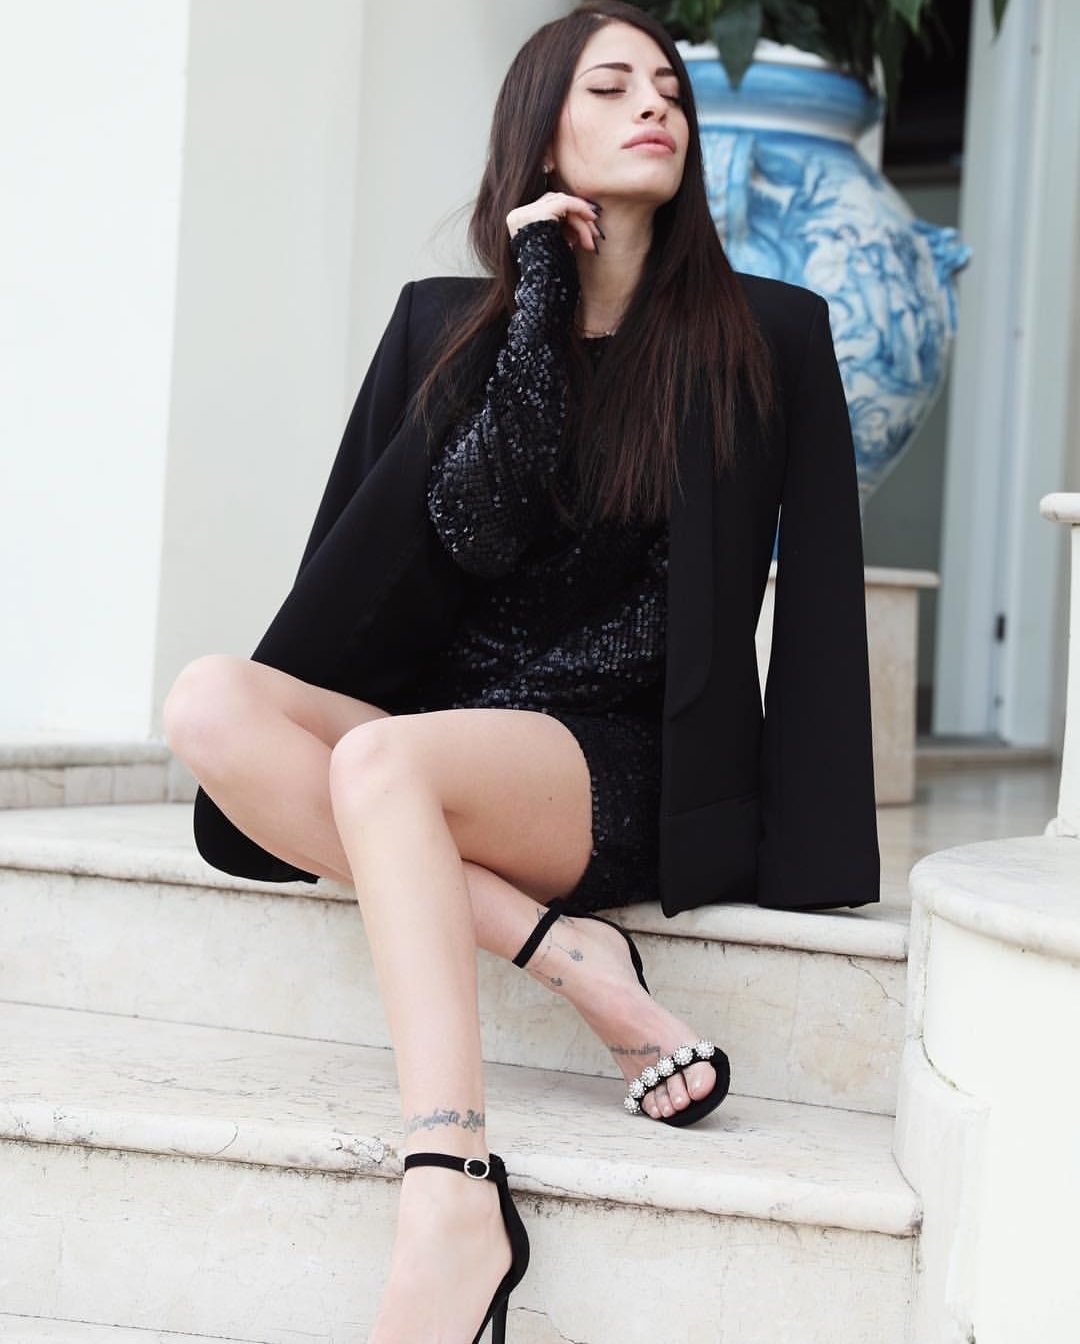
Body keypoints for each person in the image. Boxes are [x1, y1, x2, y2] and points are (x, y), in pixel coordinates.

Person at [164, 2, 879, 1339]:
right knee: (208, 699)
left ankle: (449, 1186)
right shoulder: (447, 322)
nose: (655, 104)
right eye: (611, 86)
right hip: (449, 742)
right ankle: (569, 958)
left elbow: (825, 595)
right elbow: (467, 531)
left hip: (617, 752)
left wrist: (806, 842)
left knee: (383, 760)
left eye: (668, 88)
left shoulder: (768, 332)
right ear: (541, 134)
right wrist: (540, 295)